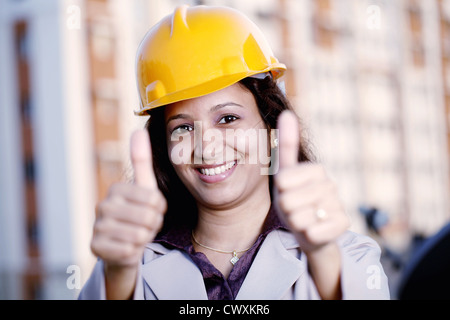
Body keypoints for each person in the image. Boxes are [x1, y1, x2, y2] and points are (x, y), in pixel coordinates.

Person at [79, 5, 389, 300]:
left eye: (227, 119)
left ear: (271, 128)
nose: (205, 146)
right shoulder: (129, 266)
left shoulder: (350, 256)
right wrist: (118, 273)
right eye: (182, 128)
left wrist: (323, 258)